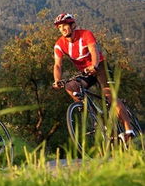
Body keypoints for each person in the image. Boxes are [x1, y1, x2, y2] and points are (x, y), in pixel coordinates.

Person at [52, 13, 135, 141]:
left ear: (72, 25)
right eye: (59, 27)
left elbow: (93, 51)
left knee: (109, 96)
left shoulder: (85, 34)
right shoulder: (59, 44)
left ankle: (129, 130)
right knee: (70, 86)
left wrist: (94, 65)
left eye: (64, 26)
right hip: (85, 72)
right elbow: (57, 65)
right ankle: (94, 115)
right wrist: (57, 80)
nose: (62, 29)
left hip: (100, 67)